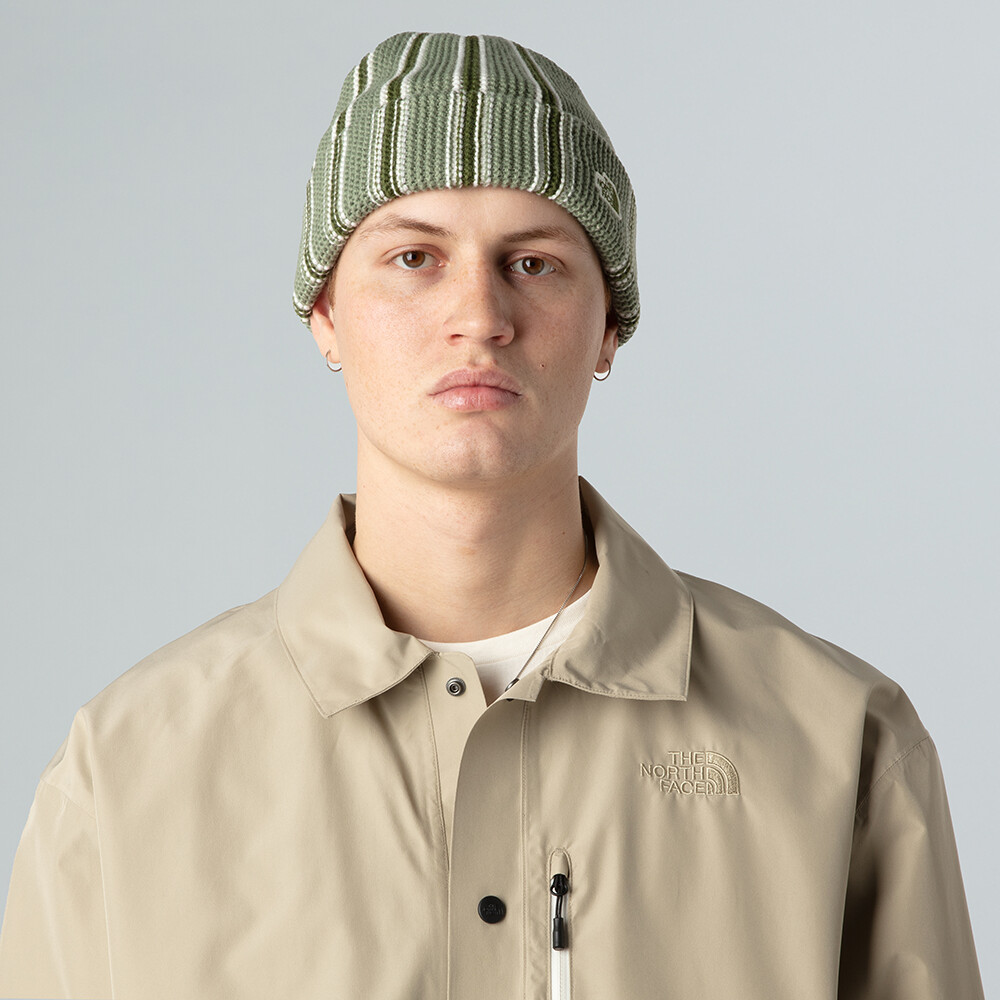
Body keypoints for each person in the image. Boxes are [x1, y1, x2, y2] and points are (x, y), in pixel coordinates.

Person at [0, 30, 984, 1000]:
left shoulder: (837, 742)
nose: (478, 316)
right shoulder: (125, 774)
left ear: (609, 325)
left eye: (533, 262)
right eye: (413, 257)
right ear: (326, 315)